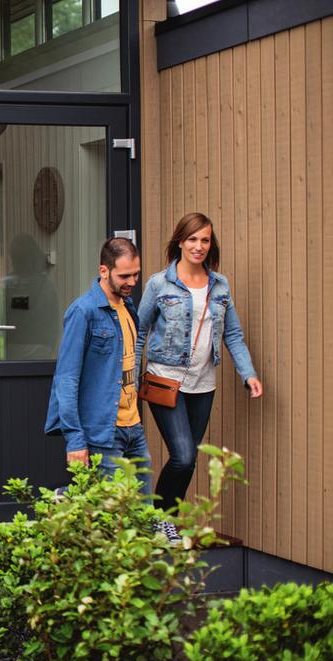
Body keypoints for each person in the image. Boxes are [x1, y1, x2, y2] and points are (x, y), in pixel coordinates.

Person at [135, 212, 263, 524]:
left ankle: (165, 522)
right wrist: (125, 379)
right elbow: (138, 333)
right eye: (192, 239)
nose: (199, 246)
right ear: (180, 241)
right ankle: (161, 521)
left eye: (205, 240)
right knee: (184, 456)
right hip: (165, 381)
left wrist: (248, 373)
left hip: (204, 385)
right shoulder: (159, 284)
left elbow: (232, 334)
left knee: (188, 461)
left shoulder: (220, 286)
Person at [45, 237, 151, 495]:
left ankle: (70, 498)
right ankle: (68, 499)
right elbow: (66, 379)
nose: (133, 282)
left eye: (136, 274)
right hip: (103, 430)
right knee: (112, 516)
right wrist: (75, 440)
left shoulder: (127, 306)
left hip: (133, 426)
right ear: (104, 271)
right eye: (125, 276)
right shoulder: (84, 311)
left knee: (144, 511)